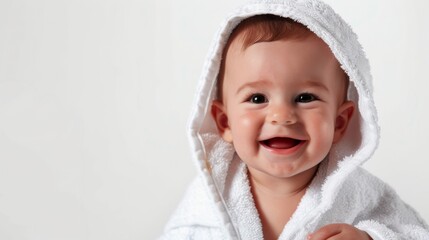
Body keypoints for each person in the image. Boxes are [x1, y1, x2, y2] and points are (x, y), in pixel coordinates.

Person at [160, 0, 429, 239]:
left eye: (305, 97)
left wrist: (370, 238)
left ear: (339, 122)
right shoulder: (208, 202)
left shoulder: (360, 195)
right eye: (257, 99)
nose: (281, 116)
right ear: (225, 122)